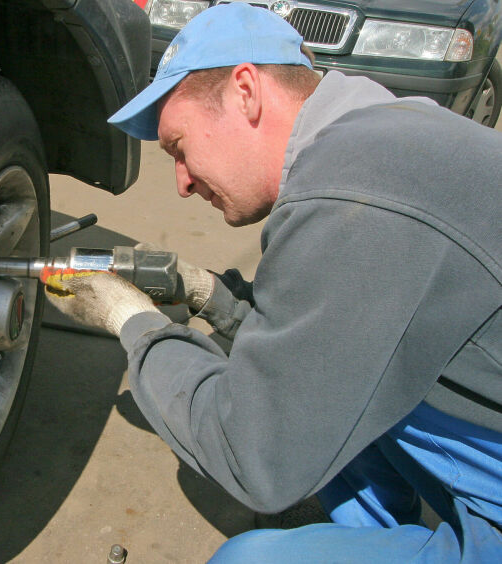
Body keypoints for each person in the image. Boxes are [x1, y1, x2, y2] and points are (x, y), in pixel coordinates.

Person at [41, 3, 502, 562]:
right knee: (318, 380)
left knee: (249, 559)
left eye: (178, 147)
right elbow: (322, 329)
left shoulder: (349, 196)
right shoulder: (381, 137)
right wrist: (213, 296)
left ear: (245, 90)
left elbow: (253, 457)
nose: (181, 184)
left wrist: (133, 323)